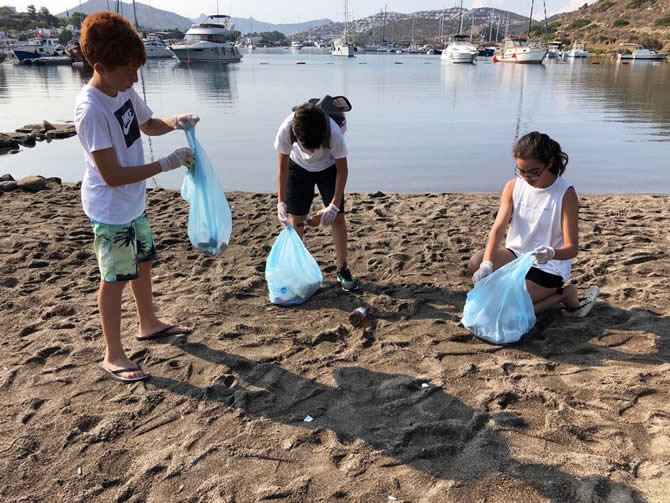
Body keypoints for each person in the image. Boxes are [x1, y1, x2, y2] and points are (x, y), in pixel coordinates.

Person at [75, 12, 199, 383]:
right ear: (100, 66)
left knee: (142, 262)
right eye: (130, 70)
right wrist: (166, 163)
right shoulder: (91, 110)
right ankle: (112, 355)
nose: (136, 77)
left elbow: (148, 125)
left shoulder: (124, 90)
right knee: (113, 277)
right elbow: (110, 176)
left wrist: (176, 121)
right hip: (110, 206)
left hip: (133, 200)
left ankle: (148, 323)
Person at [468, 131, 599, 317]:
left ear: (550, 163)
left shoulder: (565, 194)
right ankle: (520, 292)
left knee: (508, 309)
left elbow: (572, 248)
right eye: (521, 171)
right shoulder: (513, 186)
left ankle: (565, 294)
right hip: (516, 255)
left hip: (548, 265)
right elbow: (497, 229)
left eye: (533, 171)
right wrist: (487, 263)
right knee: (475, 262)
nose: (526, 176)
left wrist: (552, 253)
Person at [274, 102, 359, 291]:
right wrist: (281, 202)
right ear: (296, 135)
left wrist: (334, 205)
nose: (311, 152)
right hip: (297, 168)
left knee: (337, 218)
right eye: (307, 147)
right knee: (296, 218)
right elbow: (282, 167)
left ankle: (342, 269)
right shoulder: (286, 131)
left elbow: (342, 171)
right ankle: (297, 270)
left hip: (328, 168)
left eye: (315, 147)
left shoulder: (334, 133)